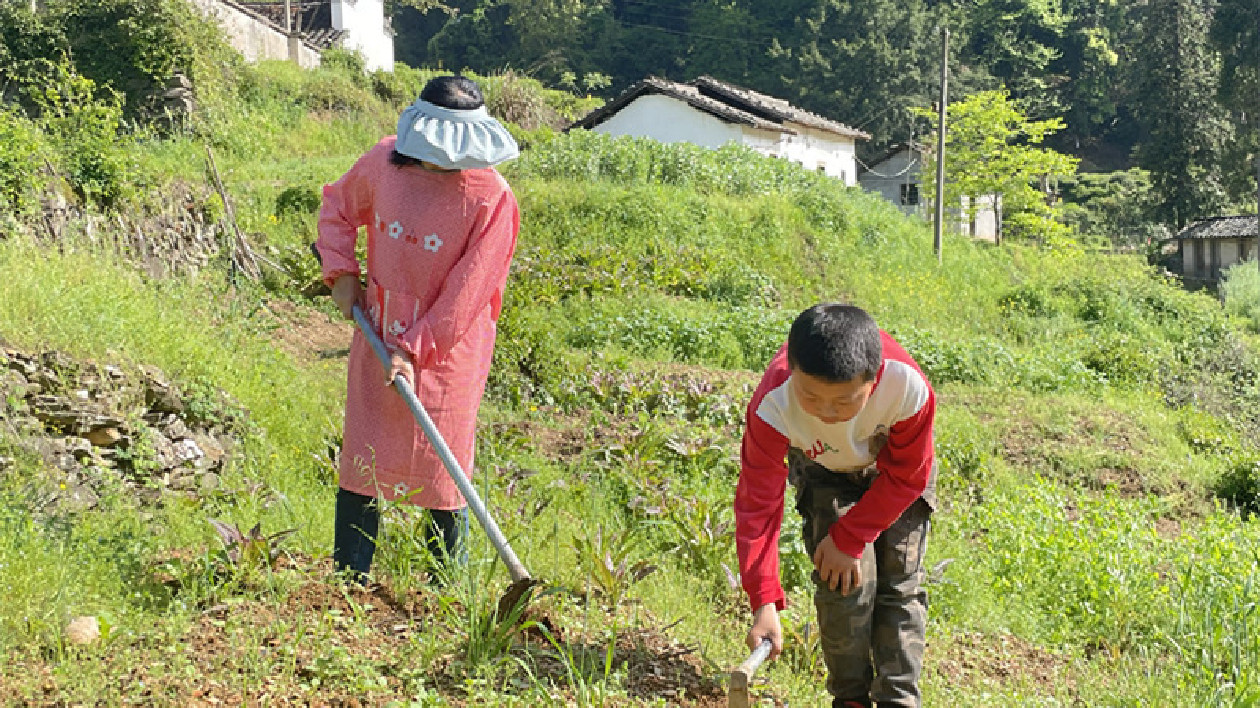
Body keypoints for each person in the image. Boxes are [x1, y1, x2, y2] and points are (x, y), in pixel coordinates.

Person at [314, 74, 521, 583]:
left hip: (451, 349)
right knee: (364, 456)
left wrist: (414, 350)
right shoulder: (383, 164)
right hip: (377, 330)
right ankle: (348, 581)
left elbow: (468, 294)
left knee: (443, 465)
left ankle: (445, 590)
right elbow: (338, 208)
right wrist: (341, 273)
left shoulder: (492, 198)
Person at [735, 303, 937, 708]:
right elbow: (758, 504)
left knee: (898, 585)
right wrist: (764, 601)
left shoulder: (907, 387)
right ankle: (850, 700)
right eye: (809, 396)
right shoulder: (772, 404)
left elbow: (909, 474)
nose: (826, 413)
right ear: (790, 369)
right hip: (824, 472)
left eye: (844, 402)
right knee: (841, 585)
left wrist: (850, 536)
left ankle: (899, 700)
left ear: (873, 380)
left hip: (895, 474)